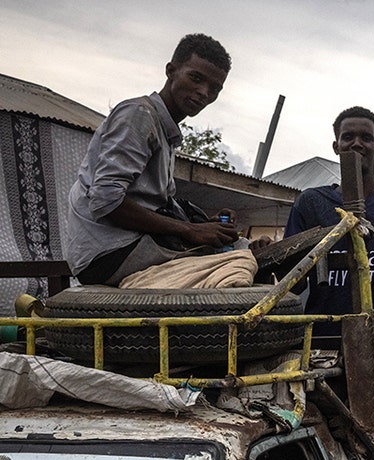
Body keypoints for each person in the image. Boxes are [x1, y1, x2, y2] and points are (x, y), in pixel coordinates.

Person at [63, 34, 243, 286]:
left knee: (238, 248)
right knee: (238, 264)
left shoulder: (166, 132)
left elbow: (151, 204)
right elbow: (106, 200)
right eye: (196, 78)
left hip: (132, 246)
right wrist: (191, 230)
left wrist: (202, 223)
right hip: (110, 253)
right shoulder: (139, 114)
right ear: (171, 71)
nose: (204, 92)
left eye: (215, 88)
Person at [283, 106, 374, 386]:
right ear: (336, 146)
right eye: (348, 137)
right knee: (322, 418)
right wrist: (274, 256)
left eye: (365, 137)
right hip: (322, 342)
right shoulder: (311, 202)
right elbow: (292, 281)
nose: (357, 143)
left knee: (371, 421)